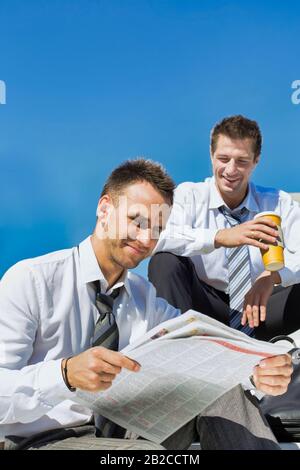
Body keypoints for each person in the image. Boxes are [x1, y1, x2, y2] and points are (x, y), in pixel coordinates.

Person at [0, 159, 292, 451]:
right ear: (104, 209)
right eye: (136, 221)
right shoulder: (32, 280)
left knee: (223, 393)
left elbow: (203, 351)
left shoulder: (144, 297)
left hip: (125, 428)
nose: (145, 239)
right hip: (45, 440)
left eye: (157, 229)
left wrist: (254, 371)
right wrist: (64, 375)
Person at [149, 115, 300, 341]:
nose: (230, 170)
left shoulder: (278, 203)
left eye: (242, 161)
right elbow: (155, 237)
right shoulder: (187, 195)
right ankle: (178, 353)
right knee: (164, 260)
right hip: (204, 307)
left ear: (256, 160)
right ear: (211, 156)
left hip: (262, 308)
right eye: (223, 158)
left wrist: (273, 276)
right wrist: (219, 237)